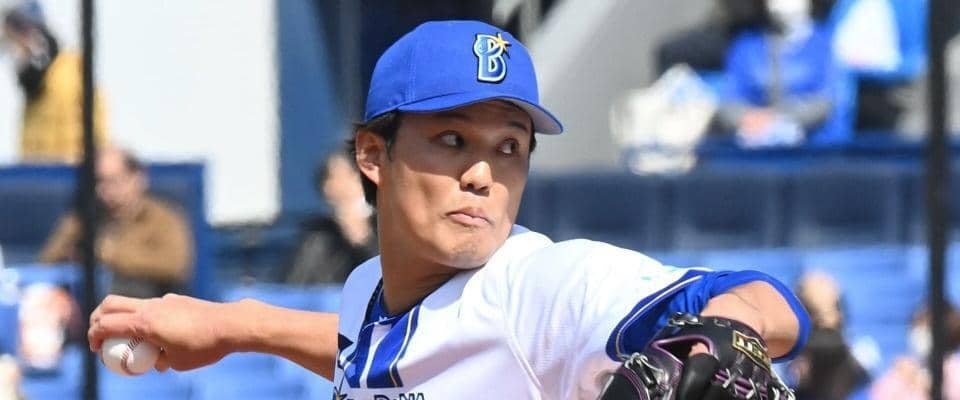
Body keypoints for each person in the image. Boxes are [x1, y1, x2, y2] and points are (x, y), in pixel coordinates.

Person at [87, 20, 809, 399]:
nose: (482, 175)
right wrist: (236, 325)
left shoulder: (541, 287)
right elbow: (376, 354)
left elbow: (764, 300)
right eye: (453, 140)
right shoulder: (369, 289)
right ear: (373, 155)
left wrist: (719, 335)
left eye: (510, 147)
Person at [39, 147, 193, 299]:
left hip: (145, 302)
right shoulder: (83, 218)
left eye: (114, 181)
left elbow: (175, 265)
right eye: (99, 182)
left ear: (138, 178)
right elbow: (47, 261)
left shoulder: (162, 219)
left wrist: (111, 255)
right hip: (88, 302)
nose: (106, 190)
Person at [718, 0, 852, 147]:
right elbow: (729, 103)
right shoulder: (745, 46)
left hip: (816, 150)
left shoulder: (827, 43)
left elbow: (824, 103)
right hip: (753, 149)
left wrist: (776, 119)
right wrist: (751, 119)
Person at [1, 1, 109, 163]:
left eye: (19, 30)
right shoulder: (35, 85)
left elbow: (95, 124)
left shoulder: (69, 73)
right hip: (39, 170)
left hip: (70, 169)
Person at [284, 152, 377, 285]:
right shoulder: (318, 233)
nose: (335, 186)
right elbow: (297, 281)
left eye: (344, 177)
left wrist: (361, 238)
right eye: (329, 179)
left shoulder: (385, 225)